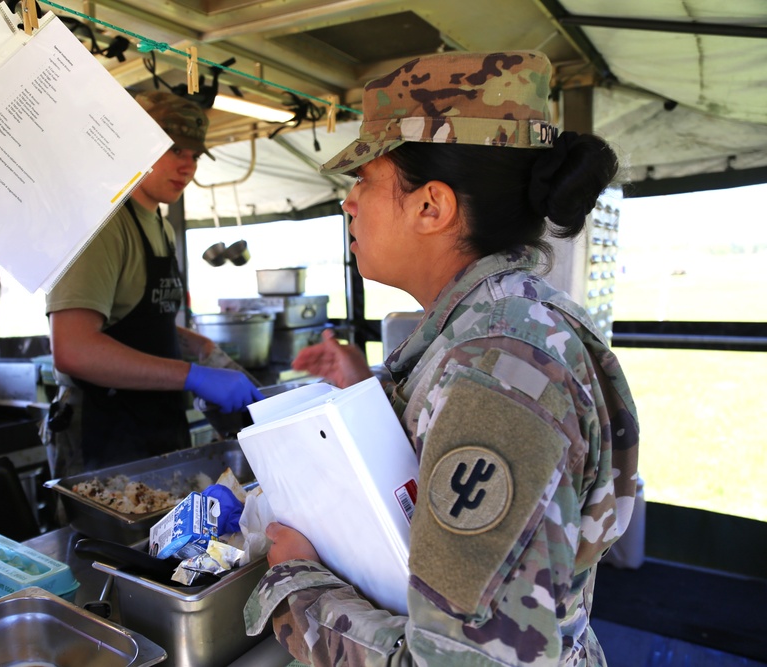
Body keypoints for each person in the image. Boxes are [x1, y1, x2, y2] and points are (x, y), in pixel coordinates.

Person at [244, 51, 640, 666]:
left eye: (364, 180)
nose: (348, 203)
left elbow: (463, 660)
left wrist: (296, 582)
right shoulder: (487, 329)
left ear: (432, 206)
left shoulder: (503, 369)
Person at [46, 90, 262, 473]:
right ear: (133, 144)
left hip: (156, 426)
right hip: (104, 435)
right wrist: (193, 375)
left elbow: (139, 323)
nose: (188, 166)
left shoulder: (161, 227)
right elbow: (73, 348)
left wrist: (201, 347)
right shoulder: (102, 226)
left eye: (194, 155)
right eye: (174, 150)